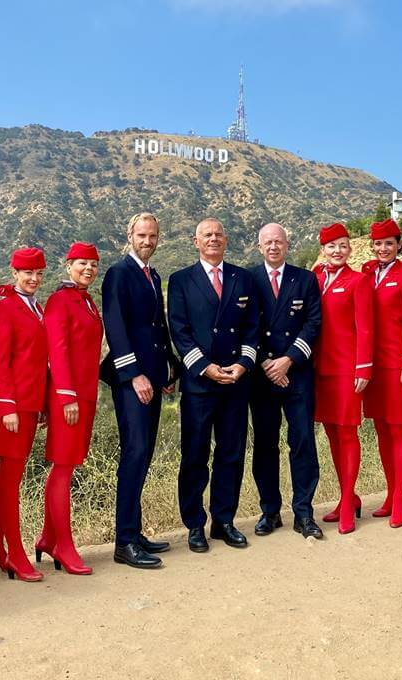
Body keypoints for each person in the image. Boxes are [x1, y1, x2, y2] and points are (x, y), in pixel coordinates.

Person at [167, 217, 259, 552]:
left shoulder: (243, 278)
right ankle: (194, 525)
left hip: (235, 381)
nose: (213, 239)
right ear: (196, 241)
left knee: (231, 453)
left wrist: (244, 363)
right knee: (195, 455)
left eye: (219, 234)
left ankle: (224, 521)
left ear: (227, 239)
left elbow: (252, 328)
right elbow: (179, 331)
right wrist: (204, 368)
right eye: (207, 235)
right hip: (199, 384)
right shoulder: (180, 281)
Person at [101, 213, 179, 569]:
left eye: (153, 235)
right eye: (142, 235)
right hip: (132, 382)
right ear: (129, 234)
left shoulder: (153, 274)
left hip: (152, 376)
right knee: (134, 454)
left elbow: (156, 328)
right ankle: (124, 542)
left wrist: (168, 369)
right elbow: (116, 328)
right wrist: (134, 375)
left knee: (144, 455)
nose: (148, 240)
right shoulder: (119, 273)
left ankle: (135, 531)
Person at [247, 222, 324, 539]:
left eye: (279, 241)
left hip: (298, 372)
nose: (274, 247)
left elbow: (313, 323)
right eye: (268, 242)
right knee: (265, 444)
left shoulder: (305, 279)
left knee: (303, 442)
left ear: (287, 244)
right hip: (263, 375)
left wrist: (288, 360)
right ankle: (270, 511)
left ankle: (304, 512)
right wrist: (267, 362)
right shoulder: (247, 279)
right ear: (259, 246)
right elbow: (245, 325)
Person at [38, 242, 104, 575]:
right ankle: (63, 545)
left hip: (86, 394)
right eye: (82, 263)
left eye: (93, 263)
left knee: (68, 465)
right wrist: (66, 396)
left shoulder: (87, 301)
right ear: (68, 266)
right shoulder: (60, 301)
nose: (89, 269)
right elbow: (57, 352)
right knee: (63, 467)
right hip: (69, 398)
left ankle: (48, 538)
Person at [0, 247, 49, 582]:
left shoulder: (36, 306)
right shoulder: (4, 308)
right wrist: (6, 406)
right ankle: (15, 553)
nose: (34, 279)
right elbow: (1, 360)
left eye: (38, 273)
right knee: (11, 483)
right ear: (14, 272)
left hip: (31, 405)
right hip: (13, 407)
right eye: (27, 273)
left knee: (8, 478)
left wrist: (42, 406)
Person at [313, 223, 373, 535]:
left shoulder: (358, 281)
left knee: (348, 434)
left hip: (348, 369)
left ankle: (349, 503)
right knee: (333, 435)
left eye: (343, 245)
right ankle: (346, 495)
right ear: (323, 249)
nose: (338, 251)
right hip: (320, 370)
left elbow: (365, 327)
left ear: (350, 249)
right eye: (331, 246)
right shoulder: (316, 278)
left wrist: (364, 367)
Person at [360, 219, 402, 528]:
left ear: (399, 245)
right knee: (381, 428)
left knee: (398, 428)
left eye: (389, 243)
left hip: (397, 364)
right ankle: (389, 492)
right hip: (373, 366)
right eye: (378, 244)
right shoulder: (367, 274)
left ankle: (400, 497)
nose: (383, 249)